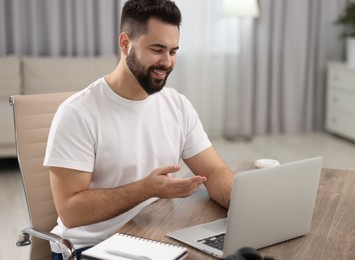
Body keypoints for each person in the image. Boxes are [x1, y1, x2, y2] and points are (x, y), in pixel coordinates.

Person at [44, 0, 234, 259]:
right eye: (157, 49)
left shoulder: (177, 105)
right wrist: (146, 188)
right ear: (125, 43)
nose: (167, 62)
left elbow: (213, 171)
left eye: (173, 51)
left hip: (156, 238)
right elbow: (71, 211)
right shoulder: (78, 113)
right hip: (92, 248)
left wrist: (243, 203)